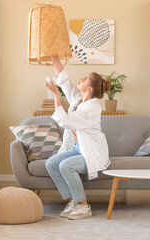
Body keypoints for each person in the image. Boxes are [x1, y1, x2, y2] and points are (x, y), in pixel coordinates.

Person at [44, 56, 111, 220]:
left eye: (85, 79)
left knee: (66, 166)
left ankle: (83, 205)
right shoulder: (78, 99)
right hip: (78, 149)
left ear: (90, 89)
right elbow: (64, 80)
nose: (81, 78)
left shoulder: (92, 108)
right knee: (51, 163)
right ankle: (74, 200)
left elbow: (65, 121)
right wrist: (53, 56)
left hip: (92, 153)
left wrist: (55, 94)